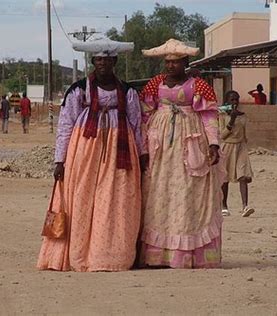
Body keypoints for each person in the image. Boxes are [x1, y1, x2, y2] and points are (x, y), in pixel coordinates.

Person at [37, 38, 146, 272]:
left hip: (120, 151)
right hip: (85, 150)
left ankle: (110, 256)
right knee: (82, 199)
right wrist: (60, 159)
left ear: (114, 61)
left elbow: (137, 123)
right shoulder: (78, 90)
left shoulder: (127, 91)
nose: (103, 64)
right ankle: (79, 255)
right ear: (93, 61)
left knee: (116, 200)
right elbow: (65, 123)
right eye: (98, 60)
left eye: (107, 59)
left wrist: (143, 154)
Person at [139, 39, 226, 269]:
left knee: (189, 193)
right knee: (160, 193)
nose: (170, 66)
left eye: (175, 62)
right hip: (161, 148)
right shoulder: (154, 84)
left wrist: (214, 144)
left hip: (190, 143)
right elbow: (145, 115)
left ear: (185, 63)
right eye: (167, 62)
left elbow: (209, 116)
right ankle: (158, 254)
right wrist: (144, 148)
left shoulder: (198, 85)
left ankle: (188, 253)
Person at [219, 91, 255, 217]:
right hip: (227, 146)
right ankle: (224, 206)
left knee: (243, 175)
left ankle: (245, 206)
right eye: (232, 100)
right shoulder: (222, 115)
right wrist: (231, 120)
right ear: (227, 101)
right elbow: (222, 135)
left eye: (236, 100)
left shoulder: (243, 116)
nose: (235, 102)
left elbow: (245, 134)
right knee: (225, 178)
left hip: (241, 147)